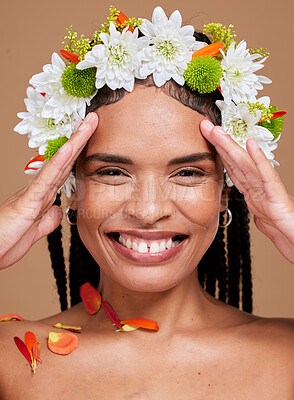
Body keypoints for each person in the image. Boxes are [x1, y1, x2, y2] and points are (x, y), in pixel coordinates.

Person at [0, 6, 293, 399]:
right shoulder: (8, 360)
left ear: (226, 191)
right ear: (71, 187)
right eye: (112, 172)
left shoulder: (287, 358)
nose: (149, 211)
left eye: (188, 173)